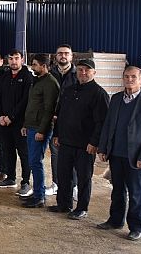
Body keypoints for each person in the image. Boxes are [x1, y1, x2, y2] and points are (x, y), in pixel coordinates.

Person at [49, 59, 109, 220]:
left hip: (85, 146)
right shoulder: (69, 90)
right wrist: (57, 134)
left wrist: (94, 142)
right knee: (64, 175)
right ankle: (64, 204)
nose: (83, 73)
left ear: (94, 73)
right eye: (80, 69)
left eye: (87, 70)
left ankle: (82, 208)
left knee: (83, 178)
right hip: (66, 142)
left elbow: (102, 122)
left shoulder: (99, 94)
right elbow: (60, 114)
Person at [97, 66, 141, 241]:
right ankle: (115, 220)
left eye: (133, 77)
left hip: (136, 157)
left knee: (136, 193)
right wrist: (103, 148)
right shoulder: (116, 98)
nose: (129, 79)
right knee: (117, 190)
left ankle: (136, 227)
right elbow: (108, 124)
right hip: (116, 153)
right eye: (126, 76)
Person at [20, 53, 59, 208]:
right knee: (33, 161)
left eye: (35, 64)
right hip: (31, 126)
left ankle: (39, 197)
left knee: (36, 162)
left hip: (39, 129)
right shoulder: (37, 81)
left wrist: (42, 131)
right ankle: (37, 192)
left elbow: (49, 109)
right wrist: (25, 124)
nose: (32, 67)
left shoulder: (50, 83)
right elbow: (31, 105)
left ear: (44, 66)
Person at [0, 49, 33, 190]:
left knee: (24, 153)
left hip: (20, 123)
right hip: (4, 122)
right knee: (8, 150)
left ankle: (25, 181)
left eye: (16, 58)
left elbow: (25, 100)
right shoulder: (4, 77)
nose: (13, 61)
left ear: (22, 59)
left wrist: (11, 117)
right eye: (11, 58)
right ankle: (10, 178)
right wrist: (0, 115)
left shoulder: (28, 77)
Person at [47, 44, 78, 196]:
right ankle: (56, 183)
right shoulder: (50, 74)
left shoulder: (78, 74)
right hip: (53, 120)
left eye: (66, 53)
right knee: (55, 153)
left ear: (71, 57)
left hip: (72, 122)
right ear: (56, 56)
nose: (63, 56)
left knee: (73, 154)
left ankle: (74, 186)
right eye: (60, 53)